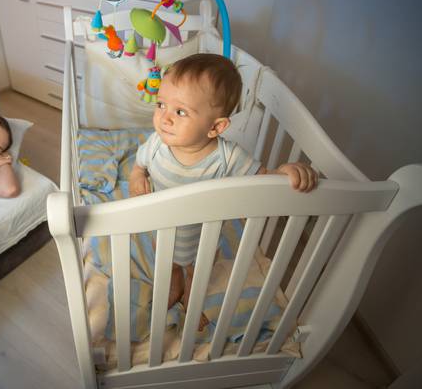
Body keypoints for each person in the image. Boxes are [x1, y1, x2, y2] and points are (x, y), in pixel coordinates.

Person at [128, 53, 318, 330]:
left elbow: (261, 178)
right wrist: (136, 176)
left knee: (198, 272)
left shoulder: (228, 158)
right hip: (162, 229)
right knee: (166, 263)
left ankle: (192, 300)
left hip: (203, 236)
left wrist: (284, 172)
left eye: (180, 111)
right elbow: (139, 162)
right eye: (161, 104)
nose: (164, 118)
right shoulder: (157, 144)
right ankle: (174, 287)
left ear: (216, 127)